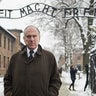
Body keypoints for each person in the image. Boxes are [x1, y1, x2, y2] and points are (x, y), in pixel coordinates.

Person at [4, 25, 62, 96]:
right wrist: (9, 94)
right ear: (24, 39)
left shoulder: (49, 57)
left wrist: (51, 94)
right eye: (28, 36)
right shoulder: (15, 58)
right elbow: (7, 80)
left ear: (39, 38)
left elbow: (56, 81)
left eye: (34, 36)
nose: (31, 39)